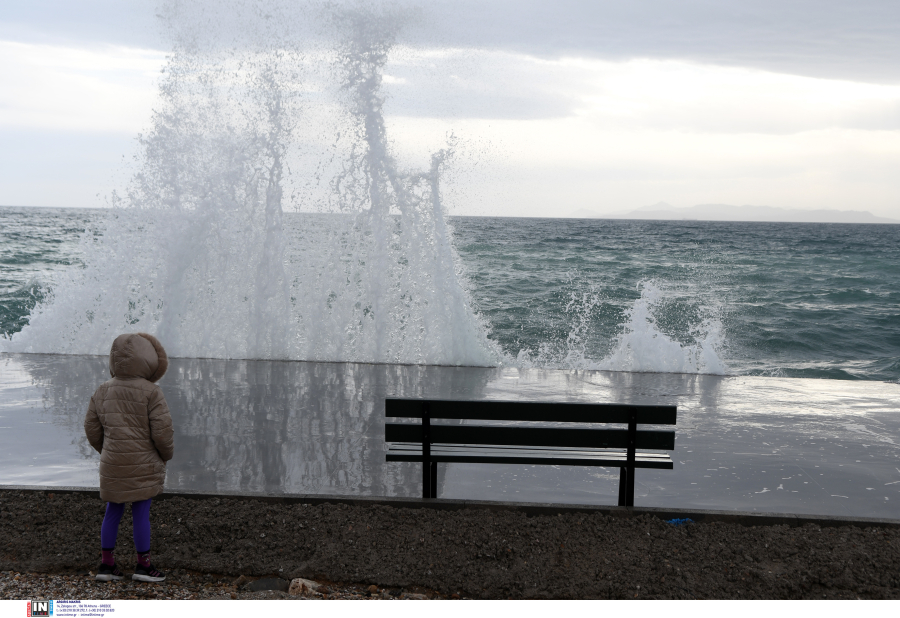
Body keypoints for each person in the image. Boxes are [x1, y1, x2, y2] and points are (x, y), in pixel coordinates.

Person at [84, 332, 174, 583]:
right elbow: (162, 432)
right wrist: (166, 455)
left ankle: (106, 565)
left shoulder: (102, 390)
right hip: (143, 464)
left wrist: (108, 450)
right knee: (140, 512)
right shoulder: (151, 392)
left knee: (112, 510)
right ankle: (143, 566)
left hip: (112, 462)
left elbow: (91, 428)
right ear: (148, 360)